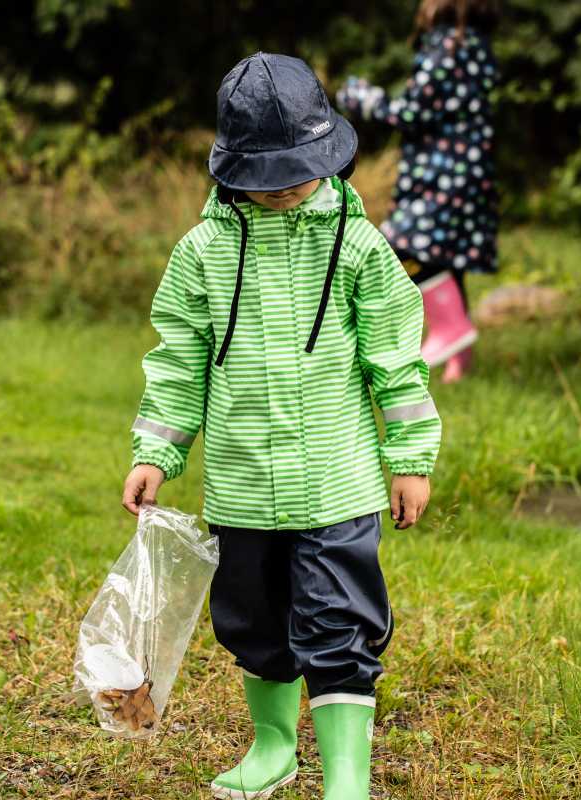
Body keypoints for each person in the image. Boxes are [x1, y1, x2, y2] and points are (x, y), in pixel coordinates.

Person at [120, 53, 442, 800]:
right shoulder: (200, 254)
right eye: (267, 177)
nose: (286, 188)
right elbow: (178, 361)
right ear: (232, 170)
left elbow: (397, 361)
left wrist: (411, 458)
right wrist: (156, 452)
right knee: (257, 628)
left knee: (338, 629)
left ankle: (347, 781)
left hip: (338, 483)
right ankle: (273, 746)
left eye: (299, 171)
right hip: (242, 488)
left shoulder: (359, 249)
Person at [337, 0, 502, 384]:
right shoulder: (476, 48)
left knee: (402, 246)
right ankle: (459, 363)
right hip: (471, 173)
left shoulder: (446, 49)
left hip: (441, 173)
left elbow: (409, 113)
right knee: (447, 261)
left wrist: (362, 97)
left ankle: (451, 330)